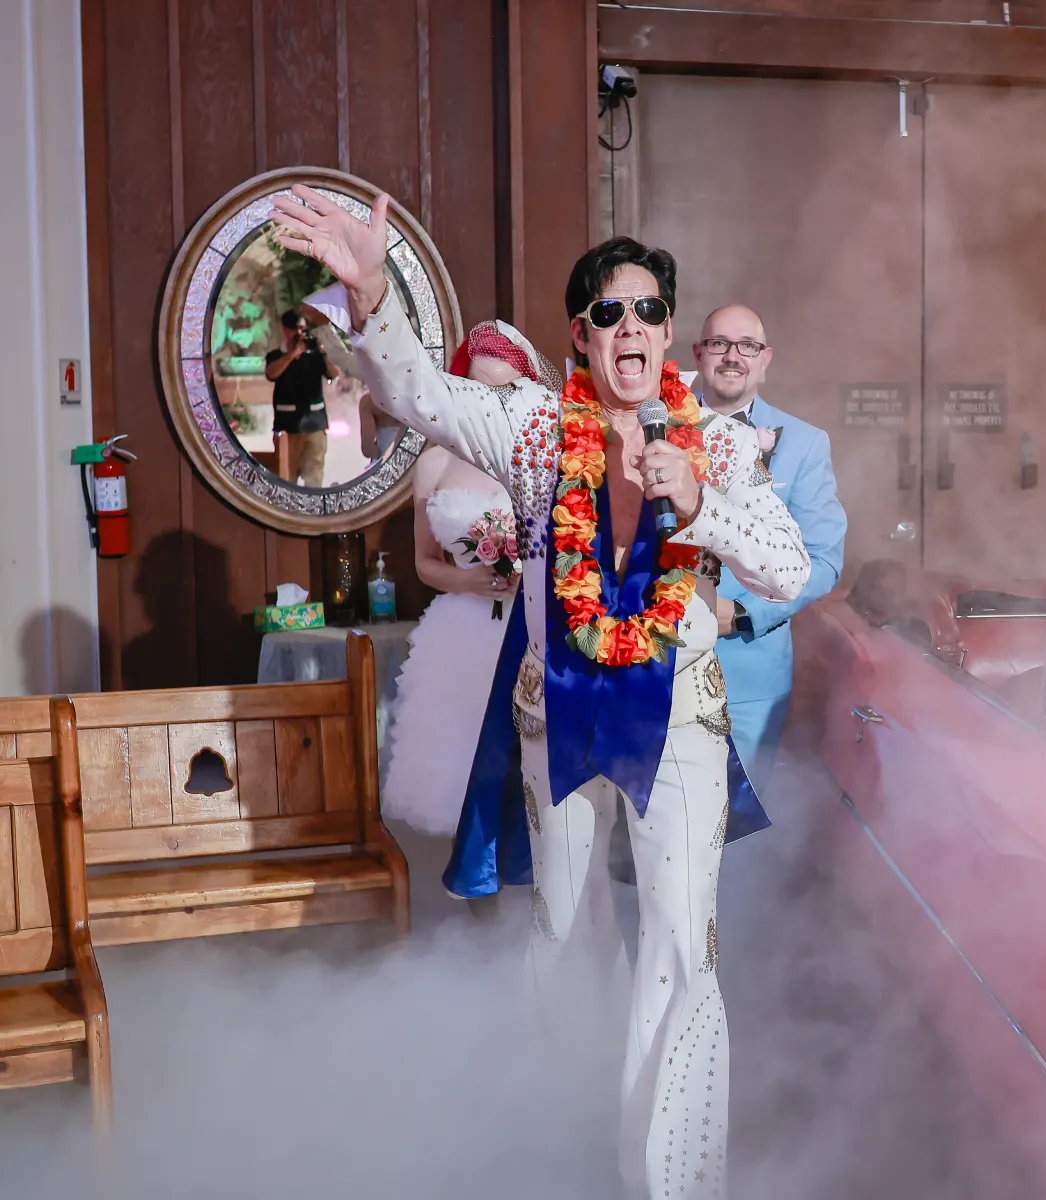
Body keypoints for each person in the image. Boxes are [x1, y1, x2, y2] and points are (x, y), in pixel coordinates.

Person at [272, 187, 809, 1200]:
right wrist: (372, 288)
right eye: (610, 312)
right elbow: (419, 395)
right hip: (550, 711)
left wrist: (698, 503)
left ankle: (673, 1183)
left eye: (650, 311)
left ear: (668, 334)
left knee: (679, 944)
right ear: (581, 333)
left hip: (678, 717)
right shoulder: (528, 429)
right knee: (562, 929)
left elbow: (786, 567)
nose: (632, 328)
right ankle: (554, 1144)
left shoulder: (723, 444)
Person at [379, 321, 563, 838]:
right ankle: (477, 899)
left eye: (503, 390)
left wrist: (525, 573)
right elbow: (424, 563)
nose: (490, 402)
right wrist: (472, 582)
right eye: (478, 389)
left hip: (529, 627)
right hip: (458, 632)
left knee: (532, 765)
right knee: (461, 765)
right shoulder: (435, 463)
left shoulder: (545, 458)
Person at [692, 306, 846, 794]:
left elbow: (823, 560)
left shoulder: (803, 444)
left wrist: (740, 612)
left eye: (747, 346)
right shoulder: (650, 426)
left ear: (765, 360)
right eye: (718, 344)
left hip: (748, 675)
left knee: (732, 839)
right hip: (649, 665)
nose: (732, 356)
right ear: (698, 353)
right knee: (644, 837)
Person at [264, 306, 338, 487]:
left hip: (315, 425)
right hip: (288, 427)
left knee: (313, 478)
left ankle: (312, 513)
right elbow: (271, 374)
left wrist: (323, 350)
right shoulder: (277, 355)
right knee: (286, 480)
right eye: (295, 329)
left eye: (303, 329)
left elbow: (333, 373)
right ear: (285, 329)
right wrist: (292, 354)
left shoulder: (315, 356)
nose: (300, 333)